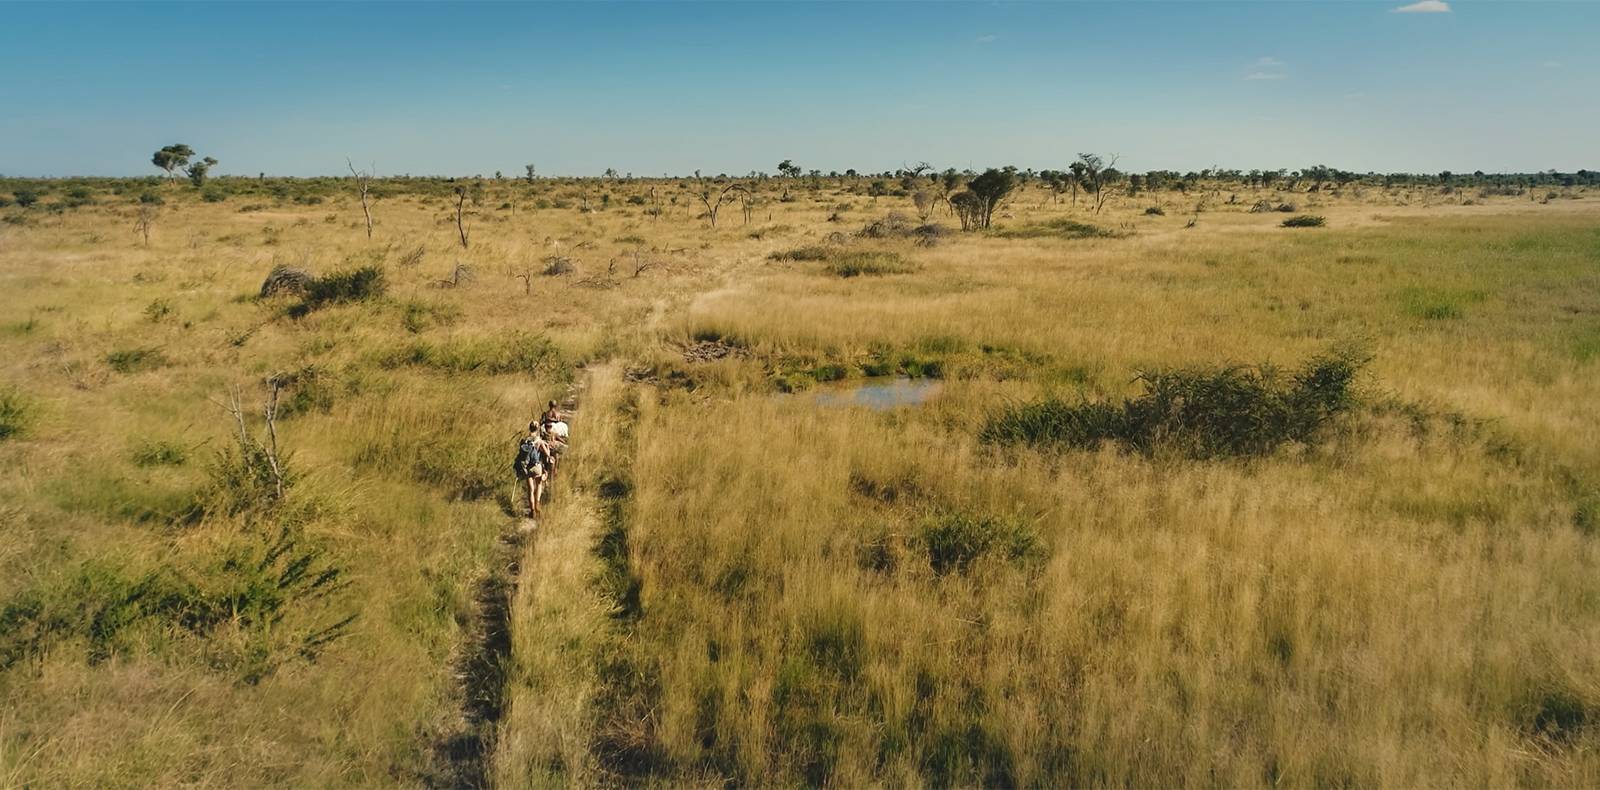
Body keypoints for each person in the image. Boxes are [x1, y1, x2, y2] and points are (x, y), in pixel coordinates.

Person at [513, 421, 551, 519]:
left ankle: (532, 510)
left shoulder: (525, 440)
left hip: (527, 468)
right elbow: (547, 454)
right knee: (538, 485)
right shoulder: (539, 441)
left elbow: (521, 454)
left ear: (529, 428)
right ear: (538, 429)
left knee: (530, 489)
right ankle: (537, 503)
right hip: (537, 467)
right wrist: (547, 448)